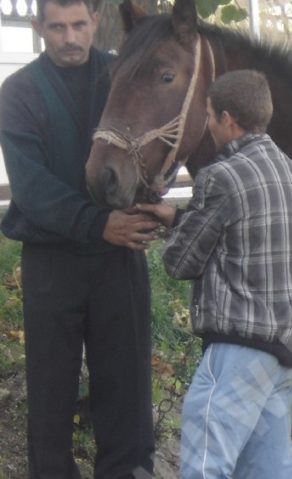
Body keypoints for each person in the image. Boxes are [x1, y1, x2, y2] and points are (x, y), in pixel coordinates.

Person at [0, 0, 159, 477]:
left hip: (119, 258)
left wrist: (152, 189)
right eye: (56, 27)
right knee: (51, 394)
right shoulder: (19, 92)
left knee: (128, 392)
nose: (69, 37)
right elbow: (31, 188)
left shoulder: (122, 75)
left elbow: (154, 141)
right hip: (53, 261)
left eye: (77, 25)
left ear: (94, 22)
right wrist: (96, 222)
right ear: (38, 28)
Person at [138, 69, 292, 479]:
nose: (209, 125)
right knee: (267, 470)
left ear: (228, 120)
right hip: (283, 351)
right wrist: (180, 217)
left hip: (237, 348)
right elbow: (244, 236)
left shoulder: (221, 176)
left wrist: (173, 229)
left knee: (205, 465)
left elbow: (181, 262)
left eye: (211, 116)